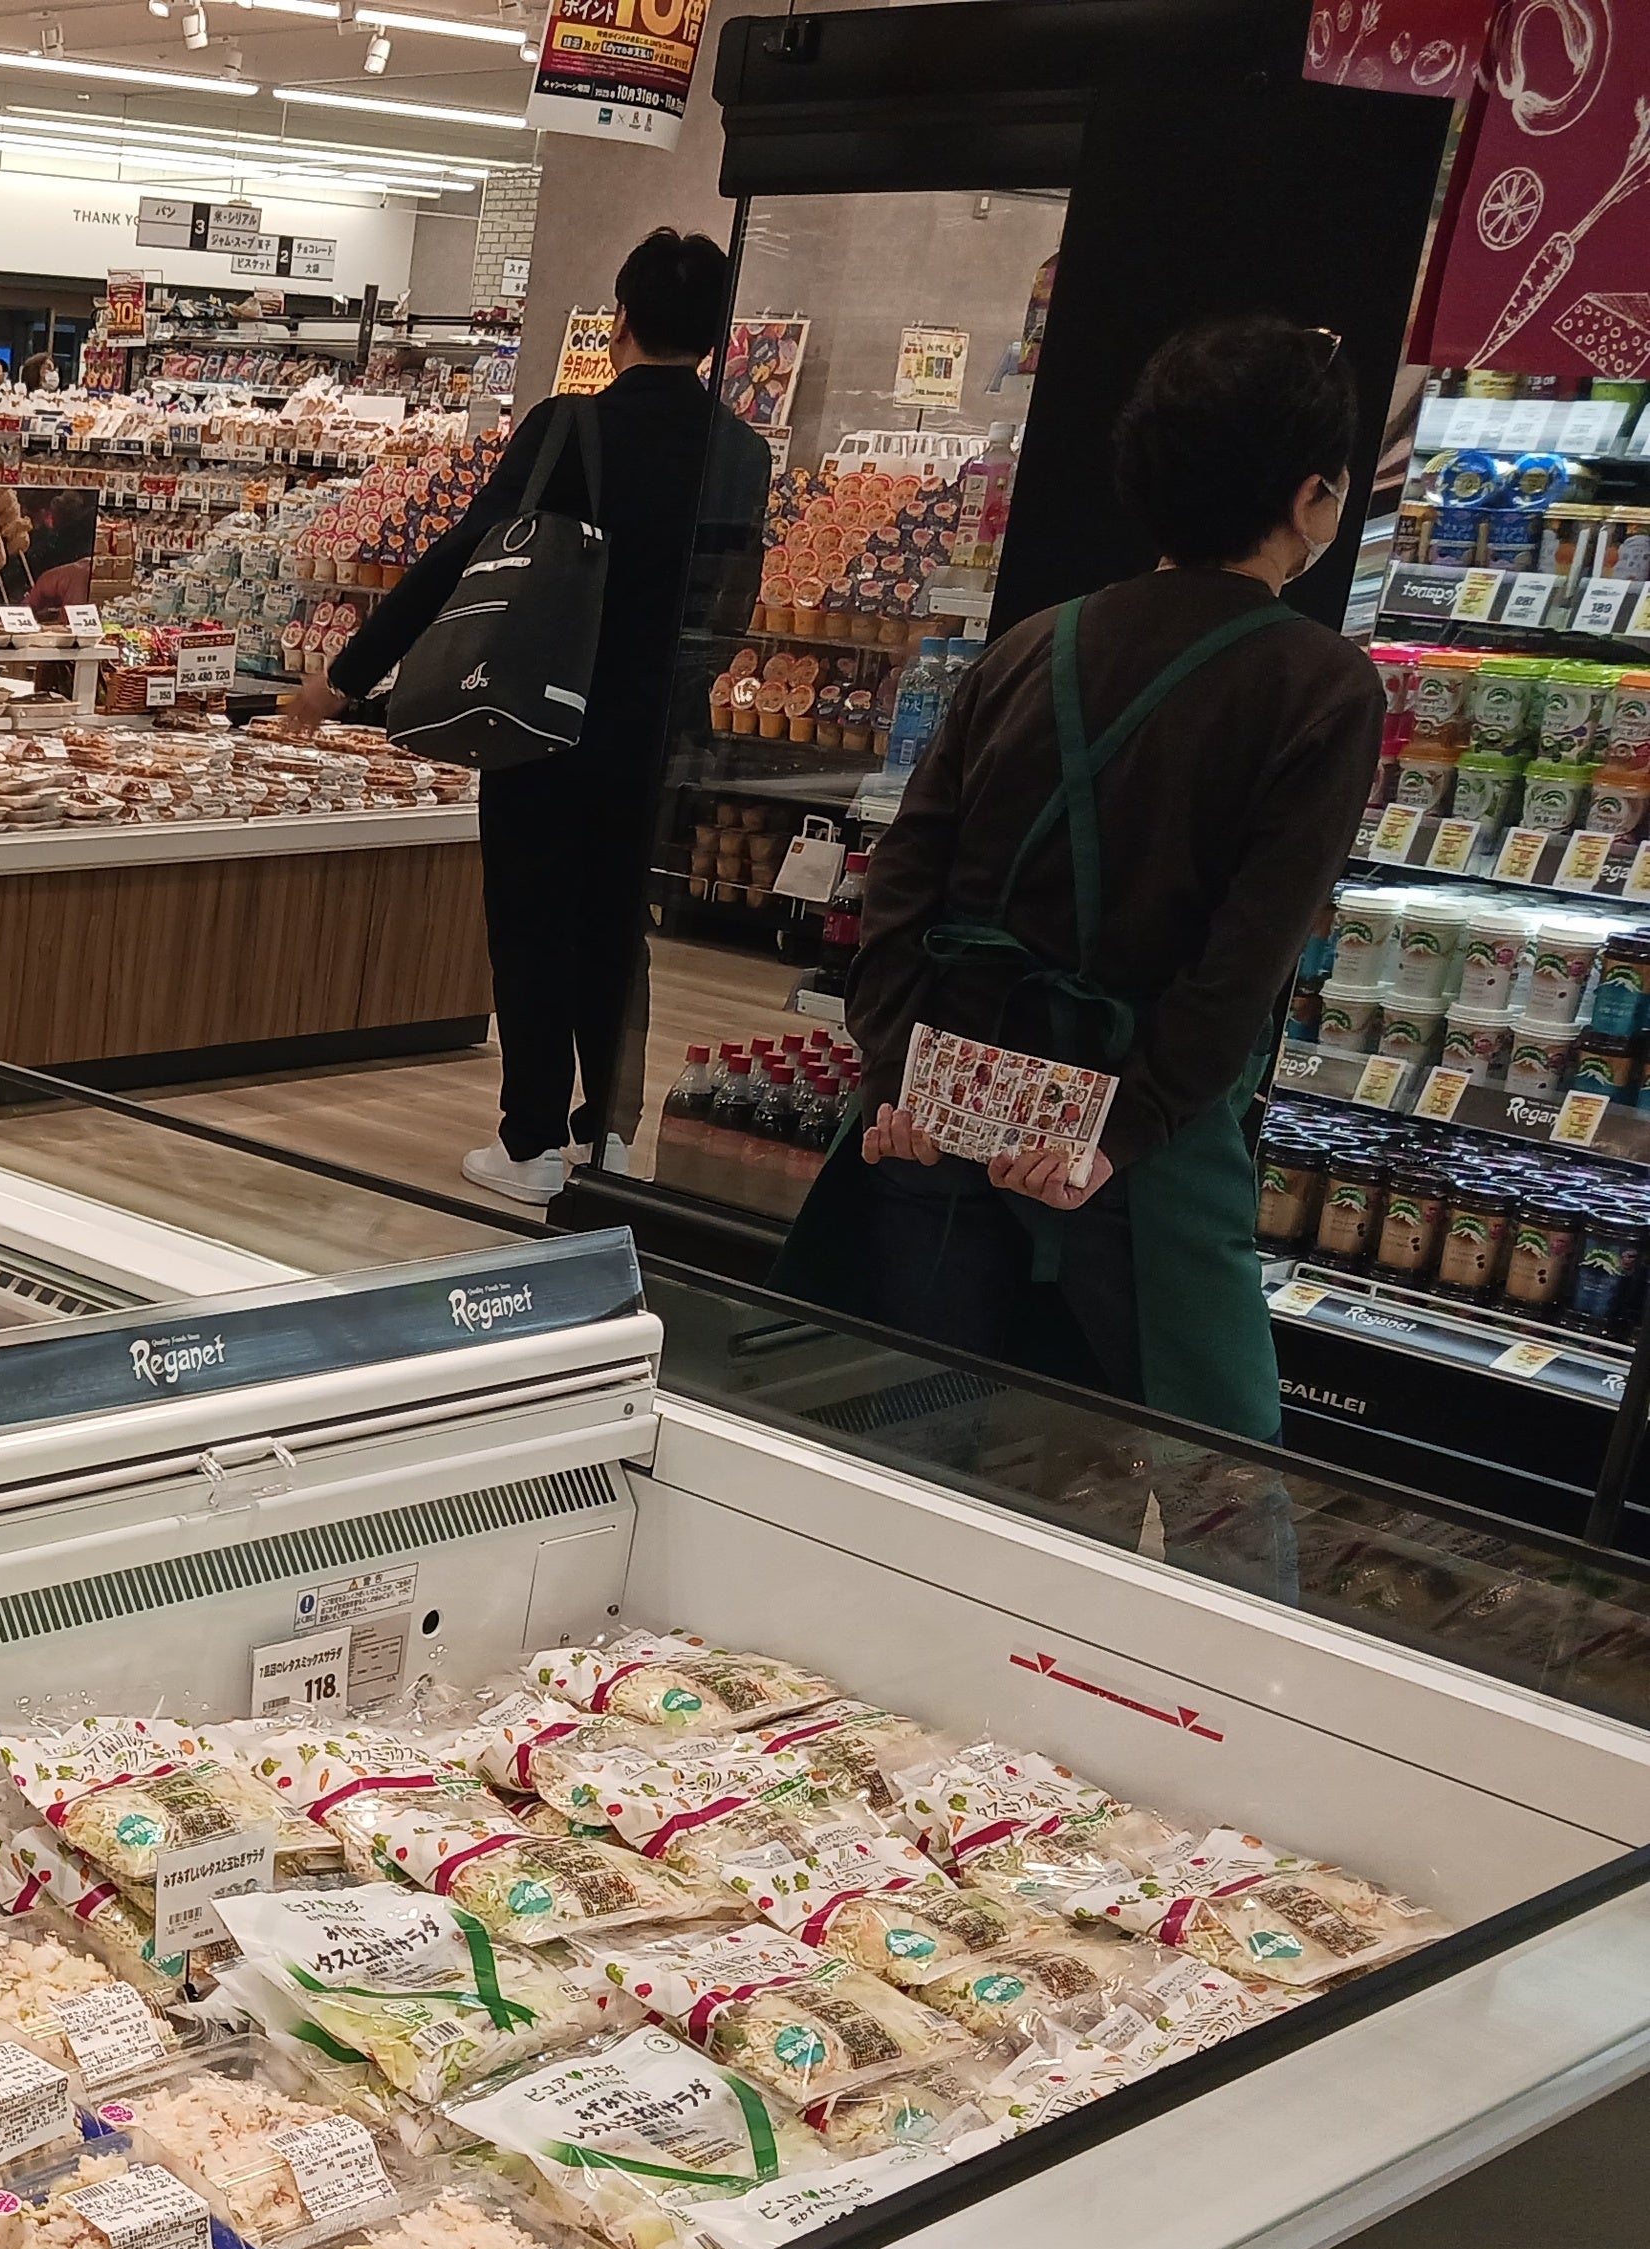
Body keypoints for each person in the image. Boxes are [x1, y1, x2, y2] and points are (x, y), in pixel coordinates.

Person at [772, 318, 1381, 1444]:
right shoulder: (1321, 687)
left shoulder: (1031, 644)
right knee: (1205, 1487)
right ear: (1311, 498)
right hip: (1132, 1155)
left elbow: (902, 880)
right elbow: (1243, 962)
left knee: (916, 1443)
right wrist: (1124, 1127)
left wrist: (897, 1070)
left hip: (954, 1103)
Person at [290, 228, 771, 1204]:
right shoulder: (743, 451)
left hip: (543, 716)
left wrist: (345, 675)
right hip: (660, 735)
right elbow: (731, 603)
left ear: (619, 321)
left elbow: (464, 554)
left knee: (533, 918)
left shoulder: (570, 426)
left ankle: (532, 1141)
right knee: (617, 927)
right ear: (718, 338)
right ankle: (612, 1138)